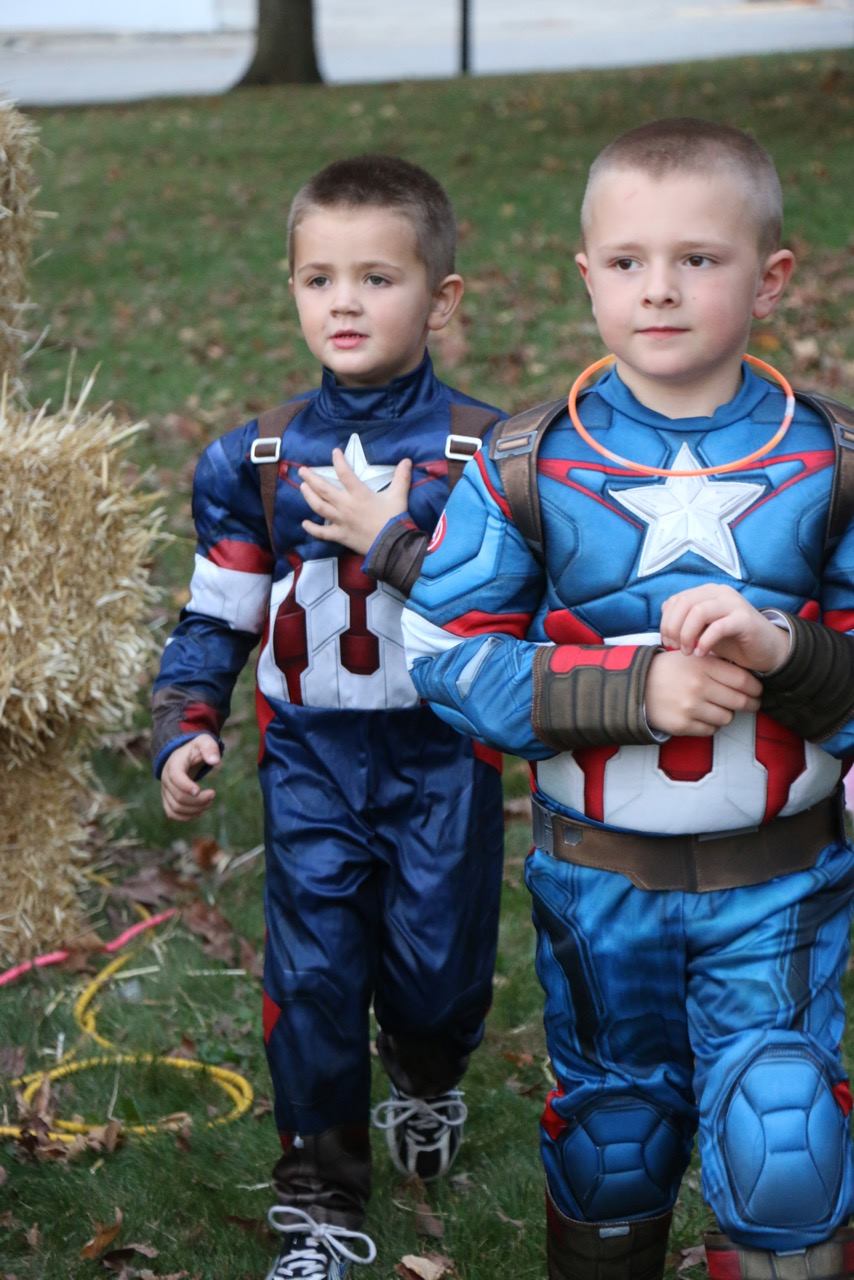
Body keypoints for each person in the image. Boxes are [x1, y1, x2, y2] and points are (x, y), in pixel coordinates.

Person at [401, 118, 854, 1280]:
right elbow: (441, 653)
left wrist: (784, 649)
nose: (657, 288)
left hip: (779, 880)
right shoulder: (525, 463)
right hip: (598, 884)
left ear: (770, 277)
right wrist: (632, 689)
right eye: (625, 260)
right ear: (585, 275)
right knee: (613, 1139)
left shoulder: (832, 462)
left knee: (784, 1136)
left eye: (697, 258)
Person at [151, 153, 505, 1280]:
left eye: (376, 278)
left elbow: (517, 616)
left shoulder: (492, 454)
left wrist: (400, 539)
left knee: (438, 980)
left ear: (440, 298)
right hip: (310, 759)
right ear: (294, 289)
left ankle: (428, 1072)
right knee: (310, 980)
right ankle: (317, 1201)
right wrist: (186, 719)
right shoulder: (251, 459)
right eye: (319, 279)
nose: (343, 303)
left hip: (442, 754)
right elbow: (215, 614)